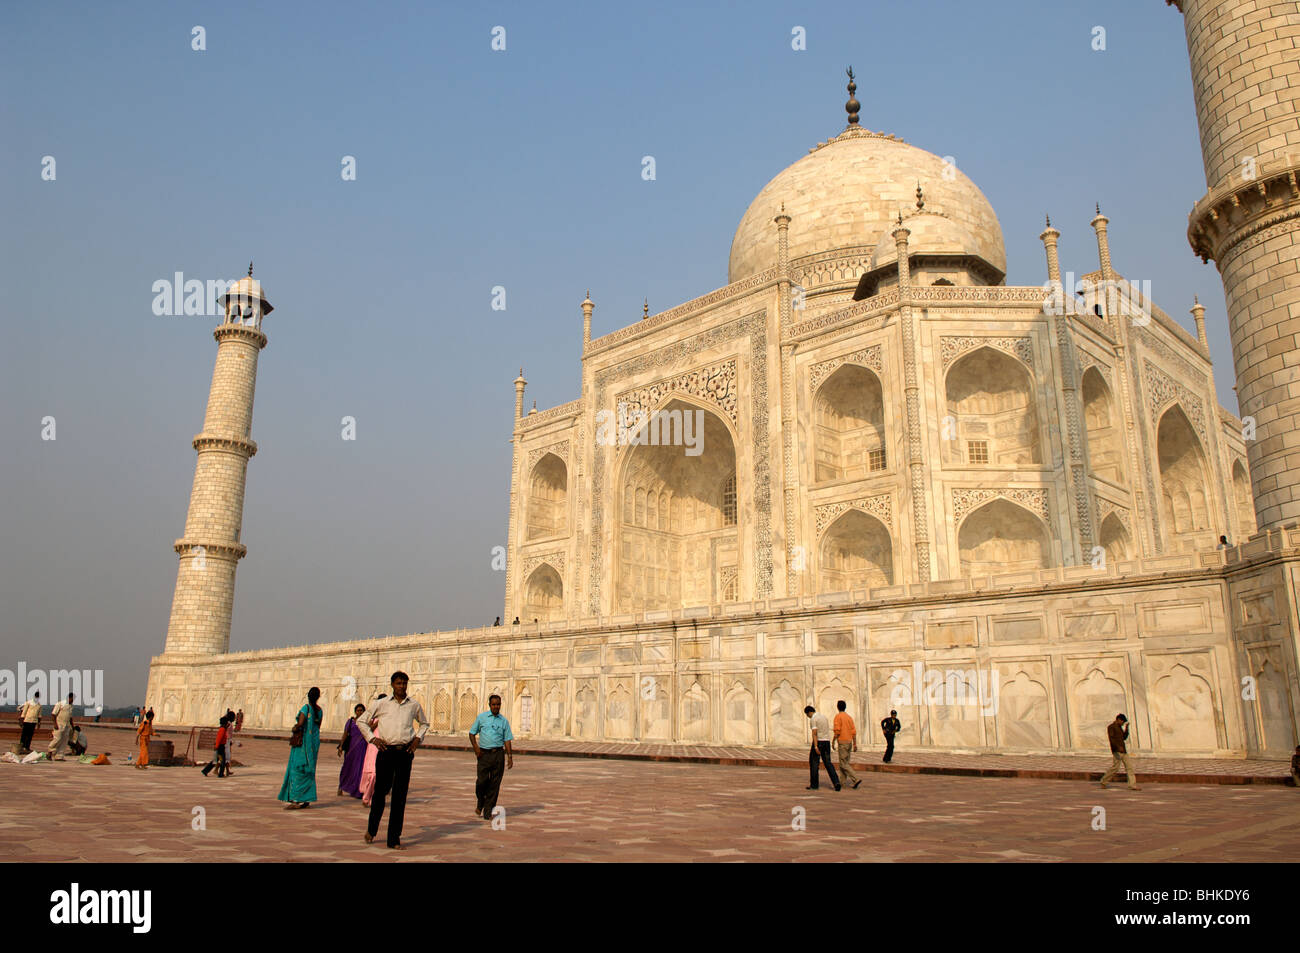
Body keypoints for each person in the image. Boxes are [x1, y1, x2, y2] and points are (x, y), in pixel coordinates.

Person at [359, 672, 428, 849]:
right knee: (381, 792)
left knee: (400, 796)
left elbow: (424, 724)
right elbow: (362, 721)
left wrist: (417, 739)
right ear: (392, 684)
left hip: (404, 752)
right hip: (386, 751)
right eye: (399, 683)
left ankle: (394, 838)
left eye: (404, 683)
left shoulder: (413, 705)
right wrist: (373, 739)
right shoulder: (381, 704)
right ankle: (372, 829)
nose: (402, 686)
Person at [469, 694, 514, 819]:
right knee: (481, 782)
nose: (496, 707)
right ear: (489, 705)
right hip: (483, 754)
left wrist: (510, 756)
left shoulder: (503, 721)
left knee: (495, 784)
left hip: (498, 754)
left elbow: (507, 739)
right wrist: (476, 749)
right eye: (494, 704)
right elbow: (472, 734)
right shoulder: (482, 718)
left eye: (498, 704)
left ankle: (488, 811)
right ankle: (481, 802)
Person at [278, 687, 323, 808]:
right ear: (318, 697)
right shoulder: (320, 711)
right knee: (309, 770)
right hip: (313, 743)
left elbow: (300, 724)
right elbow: (317, 727)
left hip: (303, 744)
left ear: (308, 696)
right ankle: (306, 798)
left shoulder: (306, 708)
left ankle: (296, 800)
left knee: (298, 769)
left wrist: (294, 728)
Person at [1099, 713, 1141, 790]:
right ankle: (1103, 781)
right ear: (1118, 719)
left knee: (1129, 768)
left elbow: (1124, 738)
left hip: (1123, 751)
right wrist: (1118, 747)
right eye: (1122, 721)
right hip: (1117, 751)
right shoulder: (1111, 727)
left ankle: (1132, 785)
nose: (1122, 723)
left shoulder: (1119, 727)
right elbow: (1111, 739)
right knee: (1115, 768)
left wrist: (1126, 729)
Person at [804, 705, 841, 791]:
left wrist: (816, 746)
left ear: (809, 712)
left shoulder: (814, 719)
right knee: (828, 763)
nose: (808, 717)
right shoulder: (823, 717)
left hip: (819, 742)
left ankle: (814, 785)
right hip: (826, 741)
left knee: (814, 763)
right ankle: (836, 782)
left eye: (807, 715)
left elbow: (814, 733)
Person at [359, 693, 386, 806]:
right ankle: (366, 797)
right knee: (373, 773)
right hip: (374, 745)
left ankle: (373, 797)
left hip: (384, 746)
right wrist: (378, 720)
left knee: (380, 774)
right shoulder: (374, 717)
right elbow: (368, 729)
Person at [337, 703, 368, 798]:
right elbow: (345, 734)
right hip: (352, 749)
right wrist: (341, 746)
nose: (360, 712)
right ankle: (342, 786)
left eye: (361, 710)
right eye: (358, 710)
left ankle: (357, 790)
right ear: (355, 711)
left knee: (360, 769)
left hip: (362, 748)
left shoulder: (366, 722)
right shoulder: (350, 722)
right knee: (348, 768)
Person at [832, 700, 861, 789]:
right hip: (849, 742)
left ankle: (855, 778)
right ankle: (842, 782)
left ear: (837, 707)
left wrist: (833, 741)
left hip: (843, 742)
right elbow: (853, 732)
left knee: (843, 764)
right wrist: (855, 744)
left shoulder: (838, 717)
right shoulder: (849, 717)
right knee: (844, 763)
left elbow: (837, 730)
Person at [46, 692, 76, 761]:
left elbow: (70, 717)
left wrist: (72, 726)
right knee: (57, 739)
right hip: (59, 725)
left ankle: (59, 756)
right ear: (69, 697)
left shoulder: (71, 706)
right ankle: (50, 752)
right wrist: (55, 724)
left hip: (67, 726)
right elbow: (53, 714)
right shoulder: (60, 704)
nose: (72, 700)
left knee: (64, 741)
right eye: (72, 699)